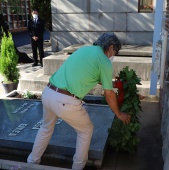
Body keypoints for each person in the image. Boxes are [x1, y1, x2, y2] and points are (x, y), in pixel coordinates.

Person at [27, 32, 131, 170]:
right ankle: (78, 167)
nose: (113, 56)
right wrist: (119, 114)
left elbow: (93, 76)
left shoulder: (84, 50)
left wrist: (120, 85)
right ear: (111, 47)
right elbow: (109, 94)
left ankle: (31, 162)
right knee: (86, 130)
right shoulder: (104, 61)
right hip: (65, 100)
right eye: (115, 52)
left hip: (48, 93)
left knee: (46, 128)